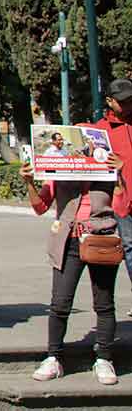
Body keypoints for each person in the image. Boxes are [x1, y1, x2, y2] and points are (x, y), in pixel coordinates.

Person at [21, 151, 125, 386]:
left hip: (101, 239)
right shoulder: (60, 168)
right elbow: (40, 206)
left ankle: (104, 358)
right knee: (59, 303)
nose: (81, 150)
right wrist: (28, 181)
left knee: (104, 303)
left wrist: (119, 175)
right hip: (67, 241)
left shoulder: (106, 169)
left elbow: (121, 208)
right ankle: (53, 357)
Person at [90, 79, 132, 316]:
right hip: (122, 203)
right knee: (129, 248)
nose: (128, 106)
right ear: (109, 101)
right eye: (123, 102)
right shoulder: (100, 131)